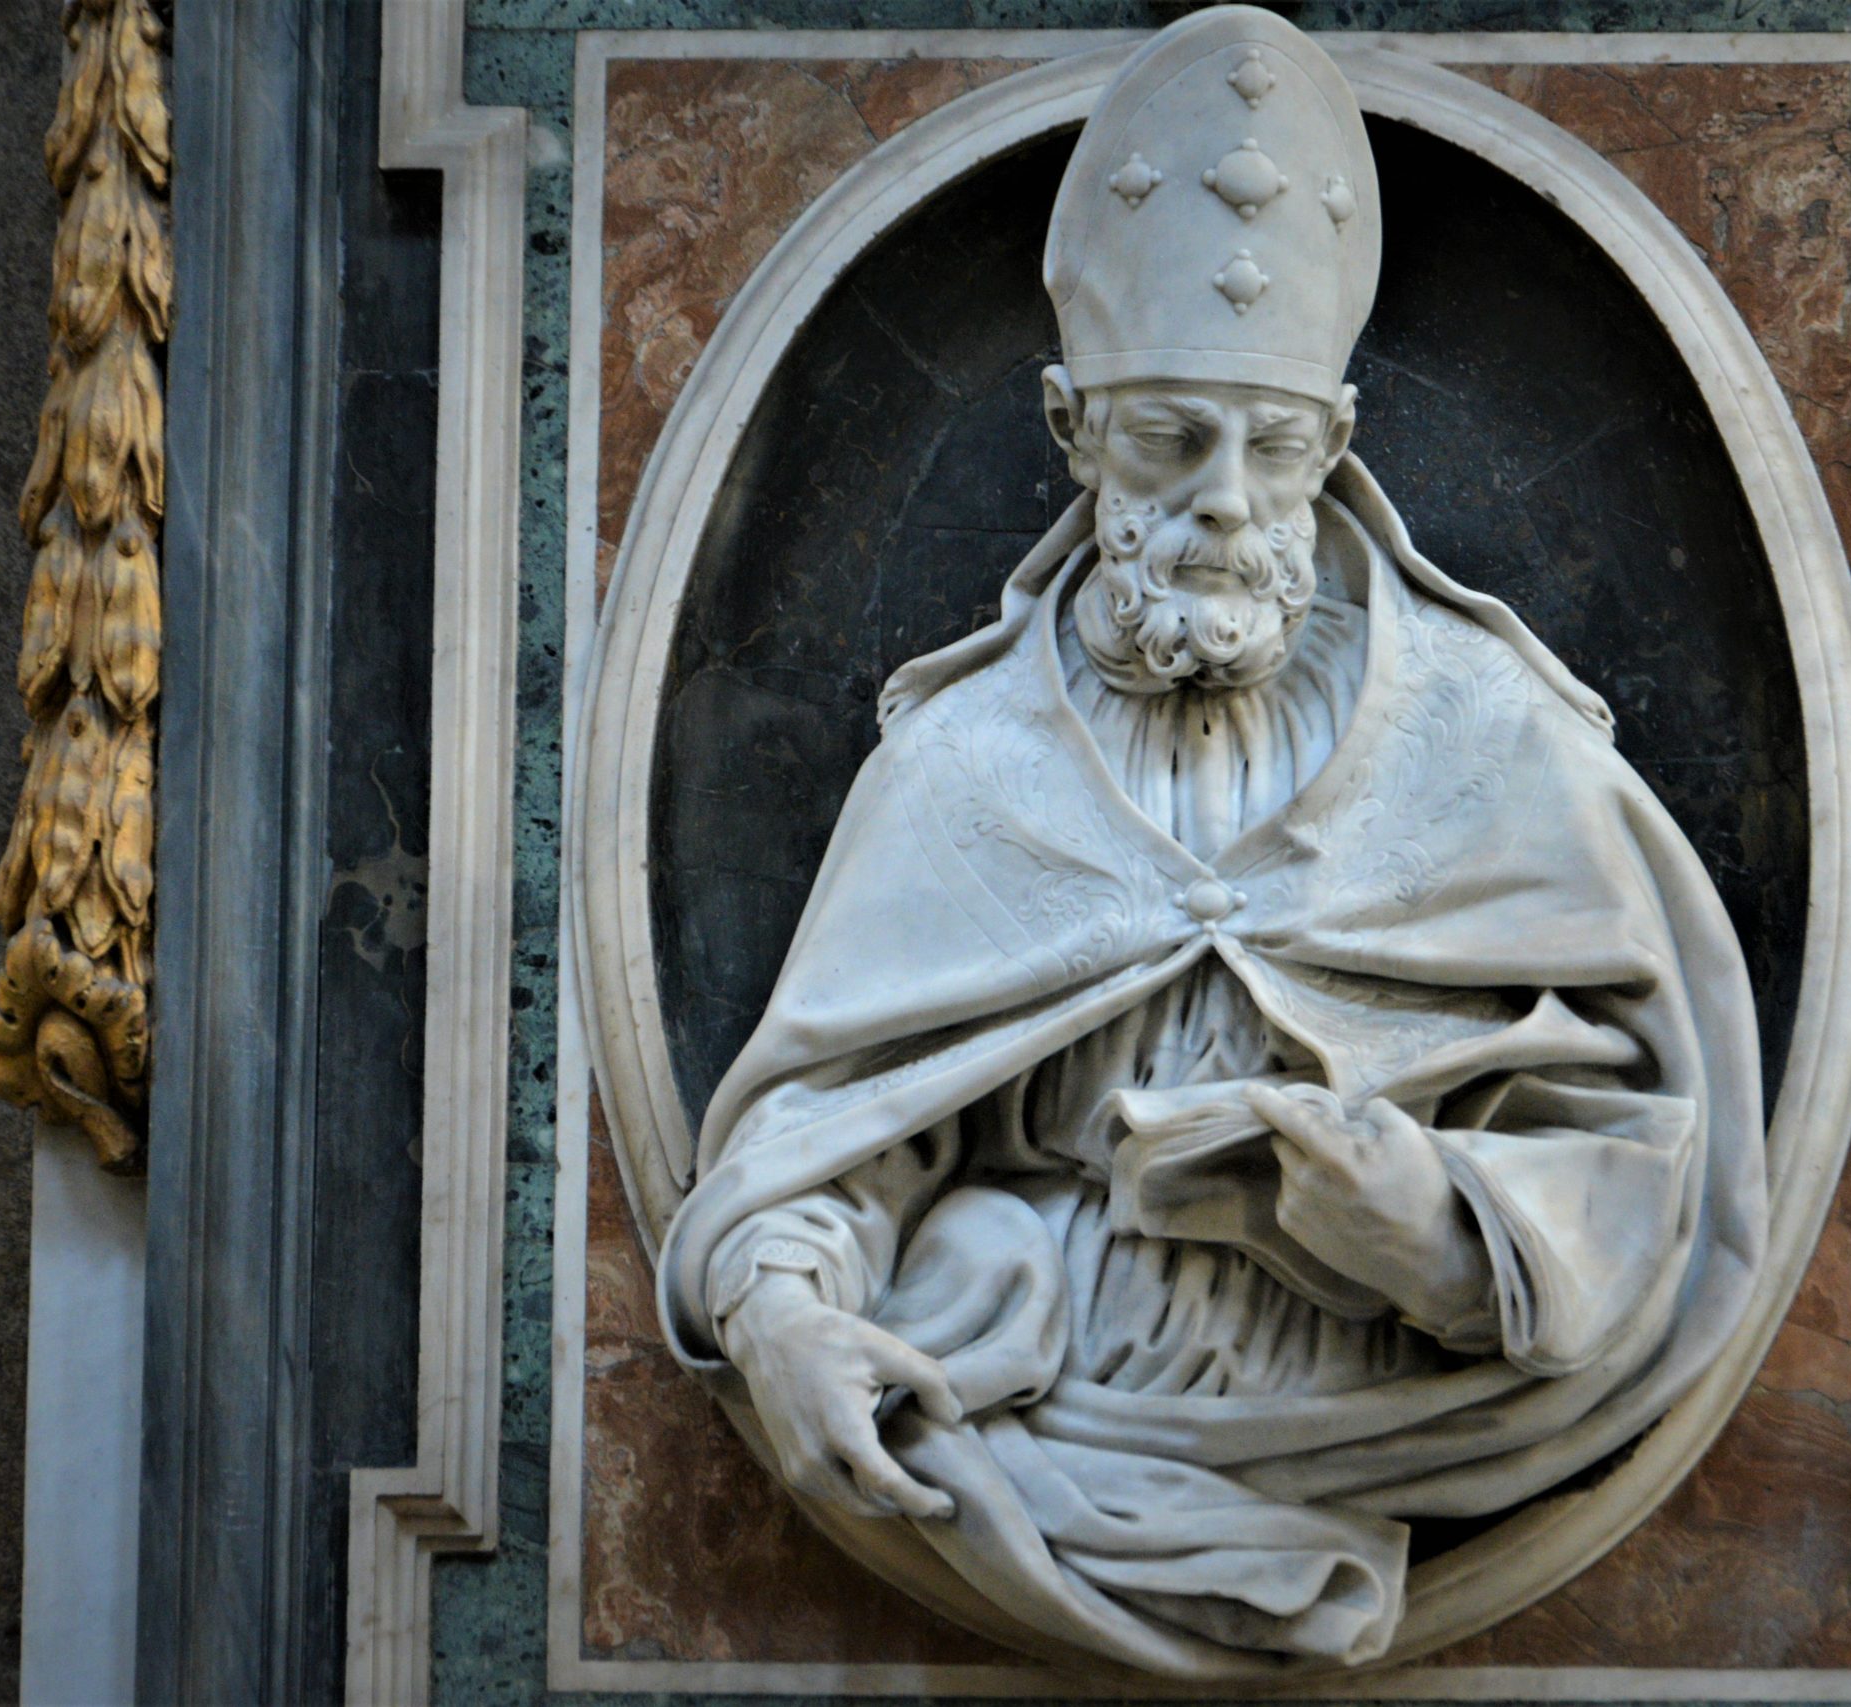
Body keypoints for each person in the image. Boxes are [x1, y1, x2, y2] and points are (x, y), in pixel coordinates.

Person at [657, 6, 1766, 1678]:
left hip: (1405, 1419)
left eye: (1278, 444)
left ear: (1337, 440)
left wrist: (1435, 1227)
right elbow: (833, 1143)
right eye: (1169, 437)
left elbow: (1642, 1159)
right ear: (1073, 433)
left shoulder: (1494, 743)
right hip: (1012, 1415)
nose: (1230, 499)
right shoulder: (960, 771)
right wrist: (788, 1317)